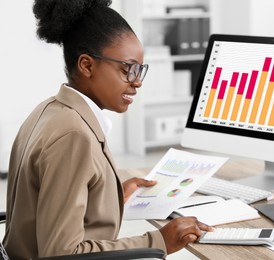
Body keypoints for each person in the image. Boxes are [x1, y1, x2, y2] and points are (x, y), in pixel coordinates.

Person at [3, 0, 213, 259]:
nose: (137, 82)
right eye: (128, 69)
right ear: (87, 65)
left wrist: (108, 196)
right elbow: (60, 253)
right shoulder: (74, 135)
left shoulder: (49, 111)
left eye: (140, 70)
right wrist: (159, 240)